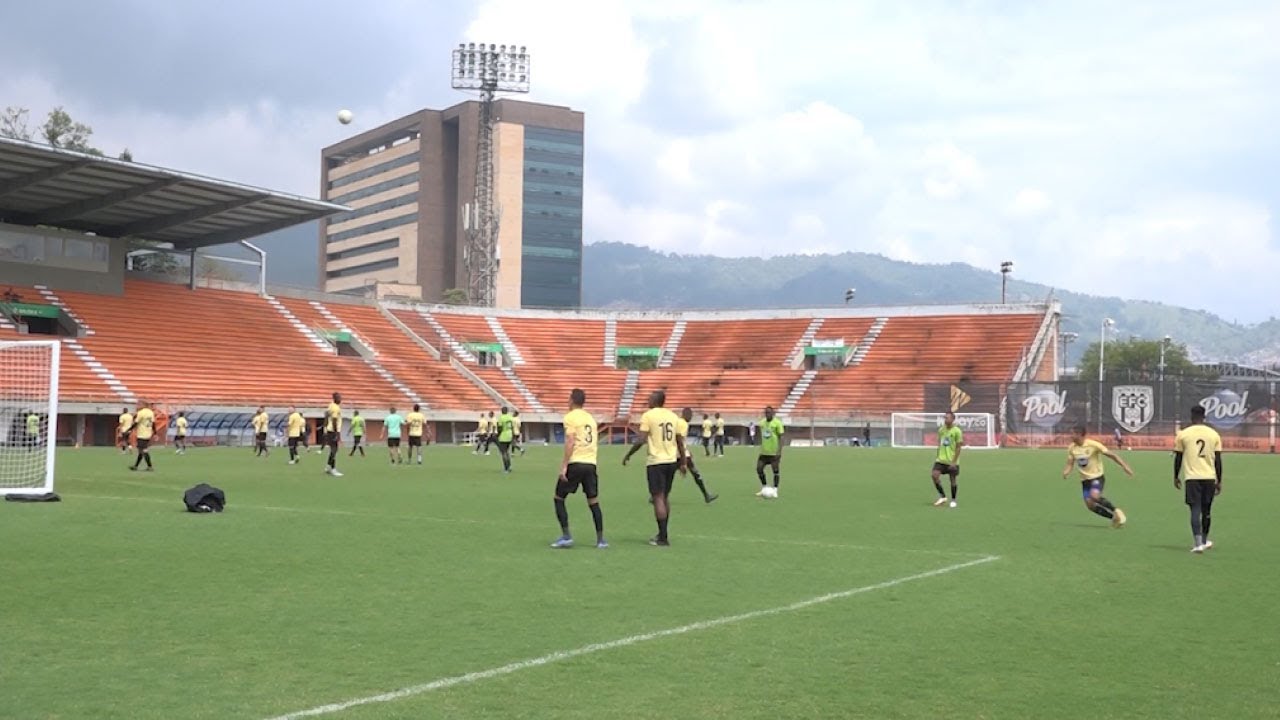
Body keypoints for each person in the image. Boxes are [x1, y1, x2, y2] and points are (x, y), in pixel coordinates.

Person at [623, 390, 686, 546]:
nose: (648, 401)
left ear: (655, 401)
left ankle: (663, 538)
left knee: (657, 497)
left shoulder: (649, 416)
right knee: (665, 497)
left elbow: (641, 439)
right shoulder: (673, 416)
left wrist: (629, 454)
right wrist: (683, 462)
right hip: (671, 460)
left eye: (649, 398)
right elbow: (679, 441)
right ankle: (662, 533)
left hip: (656, 461)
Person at [550, 389, 607, 549]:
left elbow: (570, 440)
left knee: (558, 497)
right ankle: (601, 540)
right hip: (590, 463)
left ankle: (566, 536)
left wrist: (564, 465)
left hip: (576, 462)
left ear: (572, 400)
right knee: (593, 501)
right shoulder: (590, 419)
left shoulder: (570, 417)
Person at [1174, 405, 1223, 553]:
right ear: (1204, 416)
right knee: (1206, 510)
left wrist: (1175, 476)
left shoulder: (1183, 434)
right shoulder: (1214, 434)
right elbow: (1218, 460)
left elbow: (1178, 457)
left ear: (1191, 416)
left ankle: (1198, 543)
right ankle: (1204, 540)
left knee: (1195, 509)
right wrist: (1219, 480)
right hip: (1209, 477)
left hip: (1192, 477)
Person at [1062, 425, 1131, 528]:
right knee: (1090, 505)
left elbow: (1112, 455)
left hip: (1097, 477)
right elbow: (1070, 463)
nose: (1070, 436)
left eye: (1072, 434)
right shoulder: (1072, 448)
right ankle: (1113, 518)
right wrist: (1067, 471)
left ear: (1080, 434)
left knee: (1094, 496)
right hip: (1085, 480)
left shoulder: (1093, 445)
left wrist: (1124, 466)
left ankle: (1116, 510)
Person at [678, 408, 718, 503]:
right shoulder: (683, 424)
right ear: (686, 415)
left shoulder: (677, 422)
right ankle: (706, 495)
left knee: (668, 475)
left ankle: (656, 496)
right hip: (681, 454)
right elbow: (679, 439)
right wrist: (684, 453)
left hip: (675, 453)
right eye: (690, 416)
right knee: (695, 473)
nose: (691, 418)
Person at [931, 411, 964, 507]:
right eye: (945, 418)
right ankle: (942, 496)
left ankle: (953, 499)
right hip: (941, 460)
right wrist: (938, 455)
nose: (945, 420)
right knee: (934, 475)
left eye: (947, 418)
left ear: (953, 419)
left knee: (952, 480)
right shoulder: (941, 430)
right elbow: (939, 443)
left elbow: (958, 447)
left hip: (952, 461)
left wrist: (954, 462)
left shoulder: (957, 431)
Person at [755, 406, 785, 497]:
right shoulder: (762, 423)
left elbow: (781, 437)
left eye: (769, 413)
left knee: (775, 471)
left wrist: (779, 451)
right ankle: (764, 487)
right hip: (764, 452)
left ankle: (775, 489)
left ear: (773, 413)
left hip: (774, 452)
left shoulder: (777, 423)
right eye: (766, 413)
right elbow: (760, 433)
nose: (767, 414)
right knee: (759, 469)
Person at [127, 402, 156, 472]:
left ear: (143, 405)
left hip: (142, 434)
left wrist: (129, 430)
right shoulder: (151, 412)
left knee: (143, 450)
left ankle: (150, 466)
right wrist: (155, 432)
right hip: (148, 433)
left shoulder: (141, 413)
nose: (137, 406)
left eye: (139, 404)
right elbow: (153, 423)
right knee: (141, 451)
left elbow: (136, 423)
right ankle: (136, 466)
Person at [324, 392, 344, 477]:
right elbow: (335, 420)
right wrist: (337, 434)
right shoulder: (336, 408)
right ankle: (333, 469)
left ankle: (328, 467)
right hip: (333, 431)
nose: (341, 399)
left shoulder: (331, 405)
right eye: (339, 397)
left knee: (333, 450)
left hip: (330, 430)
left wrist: (325, 426)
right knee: (334, 450)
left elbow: (326, 414)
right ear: (335, 398)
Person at [495, 406, 516, 473]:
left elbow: (500, 428)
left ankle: (506, 468)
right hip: (509, 435)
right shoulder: (510, 417)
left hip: (503, 436)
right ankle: (509, 467)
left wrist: (498, 435)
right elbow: (512, 427)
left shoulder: (501, 418)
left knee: (503, 453)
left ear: (502, 411)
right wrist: (513, 435)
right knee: (507, 452)